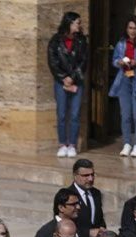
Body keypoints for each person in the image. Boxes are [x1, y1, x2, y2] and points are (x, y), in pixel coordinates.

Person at [108, 16, 136, 158]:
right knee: (125, 114)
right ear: (126, 29)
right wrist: (119, 62)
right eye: (130, 28)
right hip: (124, 80)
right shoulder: (121, 43)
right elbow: (114, 60)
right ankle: (127, 143)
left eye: (135, 28)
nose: (132, 31)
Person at [47, 11, 88, 157]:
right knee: (62, 113)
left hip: (76, 81)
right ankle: (62, 143)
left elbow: (83, 61)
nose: (80, 25)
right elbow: (52, 62)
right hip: (61, 82)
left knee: (75, 114)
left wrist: (73, 77)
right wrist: (63, 77)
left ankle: (72, 144)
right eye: (77, 22)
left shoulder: (82, 40)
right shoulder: (55, 41)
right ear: (69, 23)